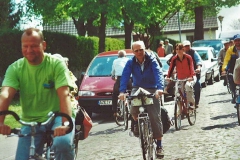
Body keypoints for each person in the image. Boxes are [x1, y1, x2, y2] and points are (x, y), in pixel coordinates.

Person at [0, 28, 75, 160]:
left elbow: (64, 95)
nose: (29, 50)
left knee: (62, 143)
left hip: (57, 115)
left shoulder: (56, 65)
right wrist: (0, 122)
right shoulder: (15, 68)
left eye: (34, 46)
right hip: (31, 121)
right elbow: (5, 94)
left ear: (43, 45)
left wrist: (65, 124)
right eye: (25, 46)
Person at [118, 41, 164, 158]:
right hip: (137, 88)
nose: (139, 52)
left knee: (155, 116)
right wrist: (122, 91)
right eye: (136, 50)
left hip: (152, 88)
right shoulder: (130, 62)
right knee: (133, 109)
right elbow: (125, 76)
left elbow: (158, 73)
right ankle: (136, 123)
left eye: (141, 50)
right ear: (133, 52)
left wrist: (160, 88)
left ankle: (159, 145)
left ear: (145, 49)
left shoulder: (152, 60)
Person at [166, 43, 196, 108]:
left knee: (188, 86)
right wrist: (168, 77)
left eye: (180, 49)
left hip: (190, 77)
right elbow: (170, 69)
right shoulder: (174, 59)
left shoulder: (188, 57)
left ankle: (191, 103)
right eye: (177, 49)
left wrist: (191, 76)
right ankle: (180, 109)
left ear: (183, 50)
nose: (178, 51)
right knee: (177, 92)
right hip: (180, 78)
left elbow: (191, 67)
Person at [111, 50, 132, 117]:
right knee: (133, 93)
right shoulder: (128, 60)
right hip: (129, 79)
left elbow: (113, 73)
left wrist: (113, 77)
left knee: (114, 94)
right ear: (125, 56)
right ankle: (133, 106)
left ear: (118, 56)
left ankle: (115, 112)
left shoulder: (115, 61)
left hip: (119, 79)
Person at [182, 40, 202, 108]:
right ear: (183, 47)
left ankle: (196, 102)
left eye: (188, 46)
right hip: (184, 74)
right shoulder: (180, 53)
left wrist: (198, 68)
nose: (187, 47)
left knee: (197, 85)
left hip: (194, 74)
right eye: (185, 46)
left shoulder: (193, 52)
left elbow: (198, 61)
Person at [222, 34, 240, 104]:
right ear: (234, 42)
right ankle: (235, 94)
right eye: (236, 41)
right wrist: (224, 69)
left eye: (239, 40)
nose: (238, 42)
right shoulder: (230, 49)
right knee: (231, 81)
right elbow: (226, 60)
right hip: (234, 69)